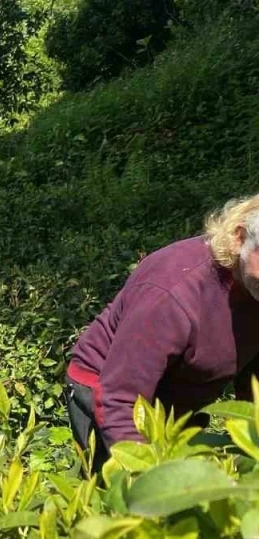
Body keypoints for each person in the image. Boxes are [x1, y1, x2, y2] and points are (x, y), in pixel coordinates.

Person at [65, 192, 259, 469]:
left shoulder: (252, 286)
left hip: (180, 395)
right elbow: (119, 397)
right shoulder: (173, 293)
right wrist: (145, 473)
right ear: (240, 239)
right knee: (121, 489)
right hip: (110, 393)